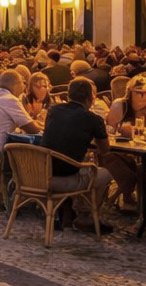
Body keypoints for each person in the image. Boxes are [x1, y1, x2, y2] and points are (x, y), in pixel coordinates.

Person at [39, 78, 114, 234]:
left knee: (84, 165)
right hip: (66, 176)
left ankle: (72, 211)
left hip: (41, 172)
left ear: (68, 95)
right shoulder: (94, 119)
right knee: (104, 173)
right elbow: (105, 150)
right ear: (90, 98)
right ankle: (86, 215)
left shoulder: (53, 111)